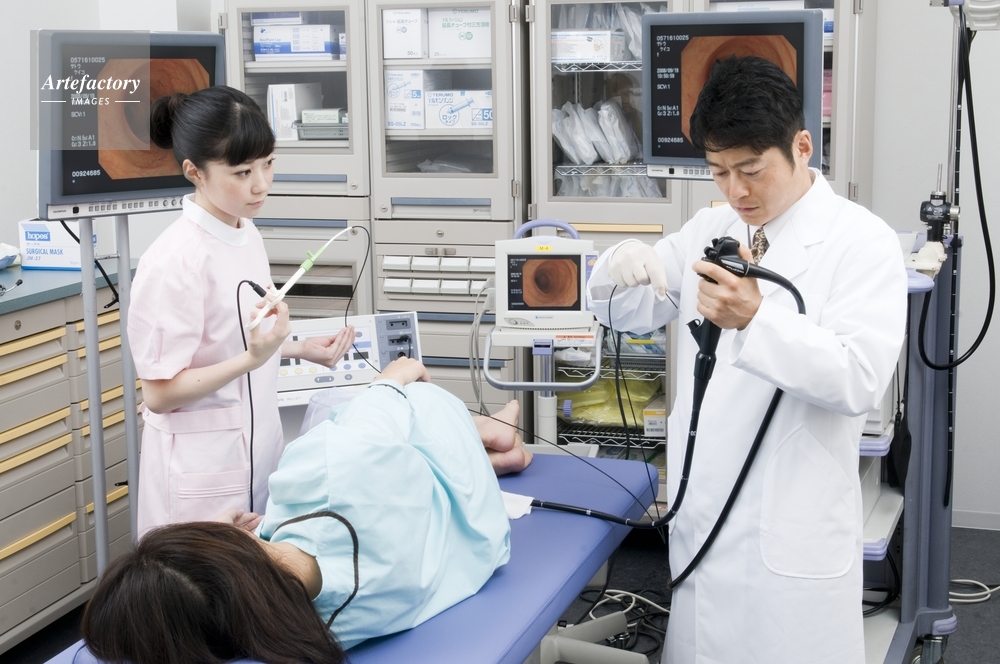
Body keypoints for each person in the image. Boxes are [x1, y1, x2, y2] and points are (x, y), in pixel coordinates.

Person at [587, 56, 907, 664]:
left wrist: (757, 320)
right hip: (704, 518)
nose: (736, 191)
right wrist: (618, 263)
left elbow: (859, 379)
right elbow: (624, 310)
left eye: (752, 170)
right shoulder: (711, 226)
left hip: (791, 530)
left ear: (802, 147)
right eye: (719, 172)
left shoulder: (861, 242)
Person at [81, 358, 517, 663]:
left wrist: (238, 541)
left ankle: (488, 450)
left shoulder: (312, 631)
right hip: (444, 476)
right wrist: (395, 374)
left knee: (388, 455)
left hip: (475, 536)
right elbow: (379, 407)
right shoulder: (325, 467)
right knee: (351, 410)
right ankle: (484, 431)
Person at [129, 86, 357, 535]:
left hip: (258, 453)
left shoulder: (246, 232)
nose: (261, 184)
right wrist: (253, 360)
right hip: (200, 472)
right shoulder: (174, 261)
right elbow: (158, 393)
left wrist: (299, 349)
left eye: (268, 163)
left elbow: (232, 338)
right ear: (194, 172)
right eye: (242, 172)